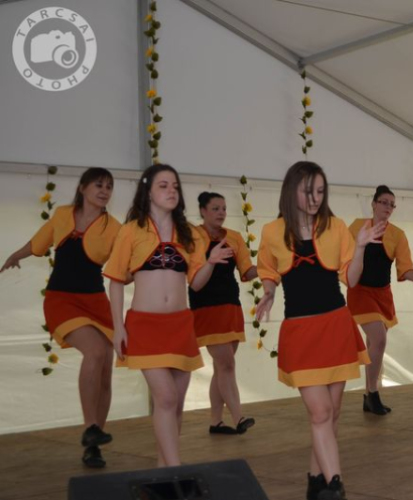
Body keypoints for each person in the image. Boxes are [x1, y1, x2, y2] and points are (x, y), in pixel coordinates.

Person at [255, 161, 383, 500]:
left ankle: (316, 480)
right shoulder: (272, 232)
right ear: (291, 191)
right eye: (308, 190)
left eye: (320, 191)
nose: (315, 198)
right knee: (321, 412)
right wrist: (268, 292)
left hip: (336, 327)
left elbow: (351, 279)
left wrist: (360, 247)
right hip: (300, 333)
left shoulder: (336, 227)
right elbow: (267, 270)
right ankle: (336, 484)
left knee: (331, 413)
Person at [105, 164, 233, 467]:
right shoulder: (131, 230)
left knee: (175, 405)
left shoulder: (188, 234)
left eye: (175, 186)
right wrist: (118, 327)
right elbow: (116, 280)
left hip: (180, 326)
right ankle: (176, 471)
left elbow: (196, 283)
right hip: (145, 326)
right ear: (148, 191)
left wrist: (211, 262)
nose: (171, 191)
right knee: (165, 397)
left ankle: (164, 471)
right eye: (163, 186)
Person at [1, 168, 120, 468]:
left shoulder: (115, 227)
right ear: (83, 188)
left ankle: (94, 445)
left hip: (97, 302)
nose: (104, 191)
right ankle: (90, 427)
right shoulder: (63, 214)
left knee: (105, 370)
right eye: (98, 185)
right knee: (94, 352)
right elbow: (38, 242)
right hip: (62, 300)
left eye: (109, 186)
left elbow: (126, 263)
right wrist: (16, 255)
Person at [347, 185, 413, 415]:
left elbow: (405, 266)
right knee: (379, 340)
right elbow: (345, 258)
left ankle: (368, 396)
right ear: (373, 204)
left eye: (392, 204)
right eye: (383, 202)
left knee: (374, 344)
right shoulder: (357, 227)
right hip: (360, 292)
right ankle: (373, 393)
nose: (388, 207)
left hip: (383, 294)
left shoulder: (397, 235)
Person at [190, 192, 258, 435]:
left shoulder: (235, 237)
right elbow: (193, 277)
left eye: (224, 208)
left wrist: (270, 267)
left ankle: (216, 422)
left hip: (231, 307)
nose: (221, 213)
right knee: (227, 364)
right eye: (215, 208)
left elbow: (247, 271)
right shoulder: (193, 236)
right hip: (206, 308)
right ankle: (239, 417)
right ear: (203, 211)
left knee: (222, 367)